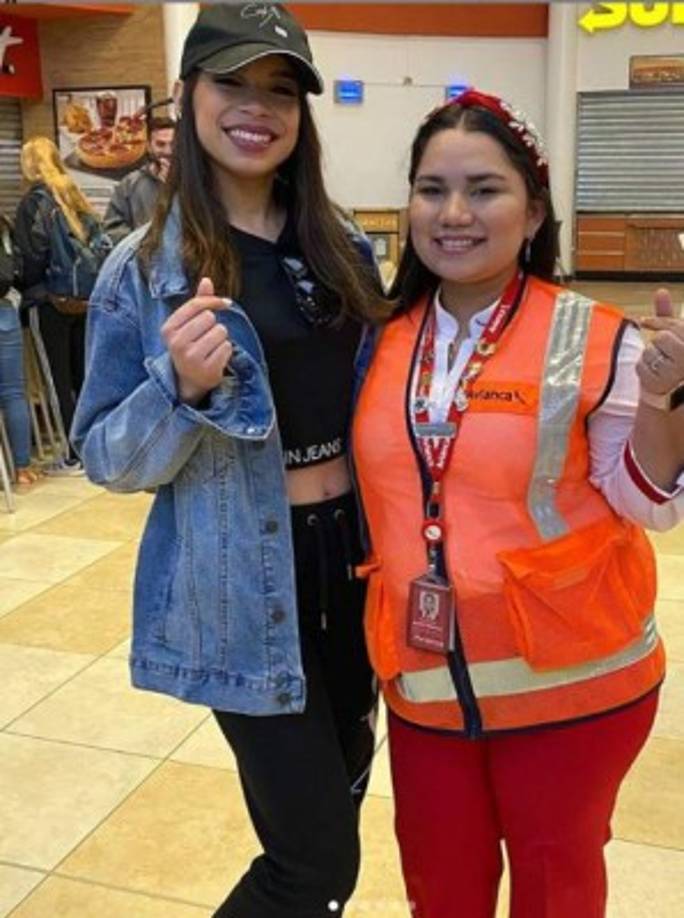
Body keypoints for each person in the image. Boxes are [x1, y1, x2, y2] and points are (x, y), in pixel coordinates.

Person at [72, 5, 388, 917]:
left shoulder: (342, 244)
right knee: (314, 865)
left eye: (281, 91)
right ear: (190, 95)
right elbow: (104, 457)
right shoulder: (142, 268)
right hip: (244, 582)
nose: (258, 109)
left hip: (357, 569)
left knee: (341, 813)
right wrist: (177, 388)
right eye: (233, 83)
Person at [352, 88, 684, 918]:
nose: (453, 213)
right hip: (425, 681)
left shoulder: (595, 335)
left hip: (576, 686)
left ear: (533, 214)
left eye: (485, 189)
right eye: (432, 189)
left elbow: (648, 502)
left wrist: (661, 399)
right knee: (441, 891)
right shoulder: (377, 336)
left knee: (554, 893)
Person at [14, 136, 105, 474]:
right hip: (84, 301)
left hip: (50, 301)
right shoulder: (74, 194)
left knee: (57, 380)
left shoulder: (34, 203)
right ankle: (92, 448)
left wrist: (28, 287)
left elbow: (32, 254)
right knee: (83, 376)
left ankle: (71, 454)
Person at [0, 209, 36, 487]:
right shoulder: (4, 223)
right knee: (13, 392)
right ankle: (21, 468)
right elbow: (19, 269)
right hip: (5, 312)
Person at [103, 115, 176, 245]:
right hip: (143, 261)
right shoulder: (130, 184)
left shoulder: (194, 182)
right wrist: (139, 246)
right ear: (148, 147)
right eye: (160, 144)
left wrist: (172, 185)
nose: (168, 151)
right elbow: (112, 227)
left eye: (174, 144)